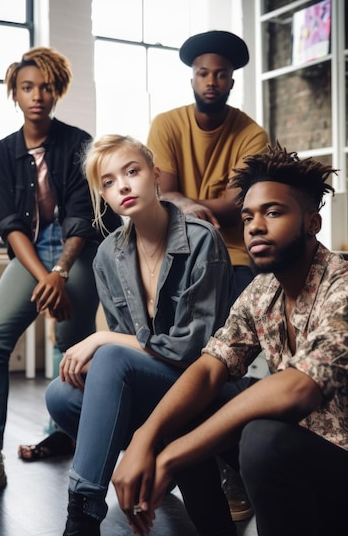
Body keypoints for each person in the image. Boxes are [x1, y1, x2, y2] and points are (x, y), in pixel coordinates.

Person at [112, 142, 348, 536]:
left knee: (262, 437)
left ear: (312, 223)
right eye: (248, 216)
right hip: (304, 460)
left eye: (273, 212)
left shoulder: (342, 283)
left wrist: (170, 457)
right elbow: (207, 370)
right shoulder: (261, 291)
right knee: (192, 403)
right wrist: (145, 438)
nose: (255, 225)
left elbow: (299, 389)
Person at [45, 134, 236, 536]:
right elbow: (133, 353)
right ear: (104, 196)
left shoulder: (204, 241)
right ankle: (146, 459)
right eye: (110, 182)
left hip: (201, 384)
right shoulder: (107, 255)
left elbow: (192, 350)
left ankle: (82, 517)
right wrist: (110, 343)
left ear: (155, 175)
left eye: (132, 172)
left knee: (110, 357)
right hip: (154, 386)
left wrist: (98, 340)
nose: (124, 186)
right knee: (60, 395)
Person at [0, 47, 118, 507]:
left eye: (46, 87)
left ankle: (70, 437)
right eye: (28, 87)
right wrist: (46, 278)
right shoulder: (2, 154)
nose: (37, 96)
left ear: (57, 91)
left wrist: (62, 271)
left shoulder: (78, 143)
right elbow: (9, 225)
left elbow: (83, 216)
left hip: (77, 250)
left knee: (71, 342)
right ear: (15, 92)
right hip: (29, 254)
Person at [147, 29, 270, 518]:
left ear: (233, 80)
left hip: (238, 253)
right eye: (203, 73)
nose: (211, 81)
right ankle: (202, 455)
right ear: (192, 77)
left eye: (220, 74)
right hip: (178, 251)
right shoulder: (167, 124)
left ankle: (226, 461)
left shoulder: (252, 134)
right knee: (178, 353)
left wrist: (192, 205)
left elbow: (244, 201)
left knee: (222, 357)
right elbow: (166, 192)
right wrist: (193, 206)